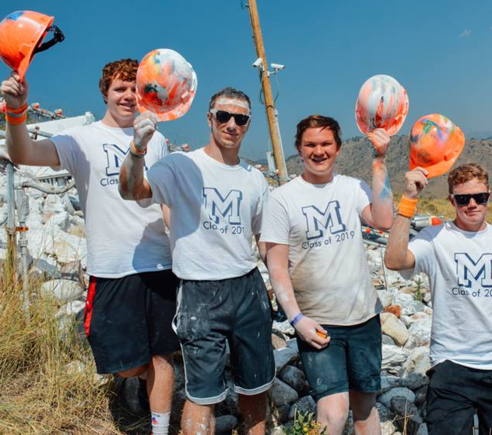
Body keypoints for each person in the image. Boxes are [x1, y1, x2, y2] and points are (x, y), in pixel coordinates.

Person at [1, 63, 177, 435]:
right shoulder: (82, 139)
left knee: (163, 353)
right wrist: (16, 111)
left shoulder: (156, 138)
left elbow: (165, 198)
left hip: (159, 261)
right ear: (105, 94)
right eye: (120, 89)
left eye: (135, 88)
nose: (128, 95)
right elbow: (23, 154)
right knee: (127, 363)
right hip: (111, 265)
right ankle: (132, 378)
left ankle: (160, 429)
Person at [119, 87, 274, 435]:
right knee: (202, 395)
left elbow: (265, 241)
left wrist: (286, 290)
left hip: (248, 289)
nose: (231, 124)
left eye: (240, 118)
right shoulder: (180, 166)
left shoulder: (255, 178)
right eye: (223, 116)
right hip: (199, 291)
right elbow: (132, 190)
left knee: (255, 389)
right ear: (209, 118)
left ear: (248, 124)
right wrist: (137, 148)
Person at [383, 163, 492, 435]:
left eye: (479, 197)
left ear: (489, 197)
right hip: (452, 367)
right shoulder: (435, 239)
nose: (472, 204)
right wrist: (409, 200)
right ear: (451, 200)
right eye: (462, 199)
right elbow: (394, 260)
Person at [261, 115, 394, 435]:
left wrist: (380, 160)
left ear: (337, 148)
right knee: (333, 413)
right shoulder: (282, 199)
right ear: (299, 148)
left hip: (363, 318)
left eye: (325, 144)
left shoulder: (352, 188)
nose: (318, 151)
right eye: (310, 145)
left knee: (365, 407)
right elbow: (276, 265)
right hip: (318, 322)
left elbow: (384, 219)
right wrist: (296, 320)